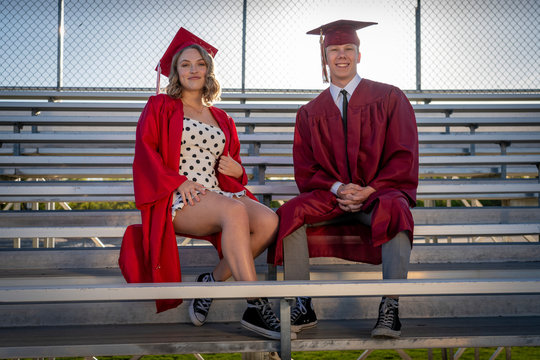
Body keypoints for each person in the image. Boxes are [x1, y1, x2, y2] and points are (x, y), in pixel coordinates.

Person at [119, 28, 284, 340]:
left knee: (269, 221)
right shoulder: (160, 107)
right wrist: (177, 182)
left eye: (199, 64)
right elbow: (146, 152)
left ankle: (210, 282)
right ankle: (255, 303)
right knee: (235, 212)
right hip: (178, 196)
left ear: (208, 70)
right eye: (185, 64)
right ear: (176, 71)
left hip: (218, 193)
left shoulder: (222, 118)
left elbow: (230, 166)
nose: (193, 69)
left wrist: (238, 171)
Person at [270, 20, 419, 339]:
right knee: (291, 212)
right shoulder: (310, 111)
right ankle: (302, 301)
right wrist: (338, 187)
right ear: (324, 57)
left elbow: (403, 152)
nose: (341, 55)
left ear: (359, 55)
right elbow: (306, 166)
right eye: (334, 49)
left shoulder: (389, 97)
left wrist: (370, 189)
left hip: (378, 193)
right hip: (331, 195)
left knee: (396, 210)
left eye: (348, 49)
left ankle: (390, 307)